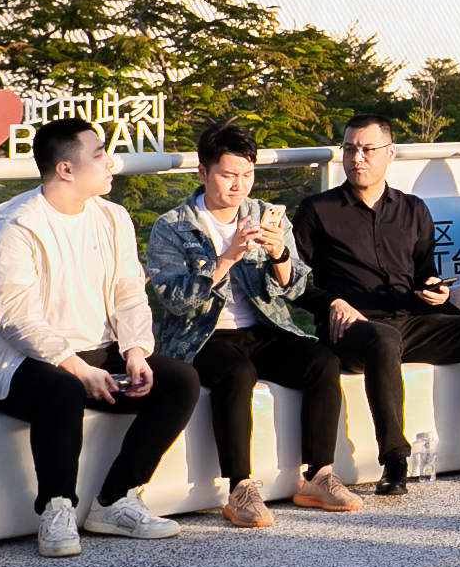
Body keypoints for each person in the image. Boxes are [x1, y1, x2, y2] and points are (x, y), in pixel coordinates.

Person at [0, 118, 202, 556]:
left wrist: (135, 351)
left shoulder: (113, 218)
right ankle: (56, 508)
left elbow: (129, 291)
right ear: (65, 170)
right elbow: (14, 317)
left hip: (98, 356)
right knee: (61, 389)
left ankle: (116, 500)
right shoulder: (14, 228)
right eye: (98, 154)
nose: (111, 162)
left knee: (179, 380)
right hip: (22, 365)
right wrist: (76, 367)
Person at [295, 114, 460, 491]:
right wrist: (330, 302)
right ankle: (394, 460)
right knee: (383, 339)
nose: (356, 158)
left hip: (409, 321)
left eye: (366, 149)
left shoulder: (414, 210)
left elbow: (423, 274)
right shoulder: (317, 211)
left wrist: (434, 291)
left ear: (389, 153)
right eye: (349, 149)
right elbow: (293, 282)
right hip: (352, 331)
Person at [145, 120, 360, 525]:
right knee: (236, 373)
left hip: (264, 328)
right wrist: (225, 259)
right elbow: (176, 303)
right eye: (227, 175)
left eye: (247, 175)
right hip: (201, 336)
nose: (238, 185)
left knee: (322, 362)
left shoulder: (264, 214)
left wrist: (279, 254)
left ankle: (317, 476)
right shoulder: (172, 226)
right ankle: (240, 488)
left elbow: (294, 289)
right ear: (203, 173)